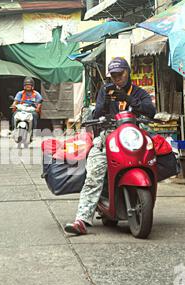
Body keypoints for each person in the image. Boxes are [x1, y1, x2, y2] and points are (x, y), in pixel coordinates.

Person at [64, 57, 157, 236]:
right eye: (113, 76)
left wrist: (128, 99)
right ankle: (82, 220)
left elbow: (150, 111)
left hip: (133, 136)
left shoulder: (138, 92)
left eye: (120, 75)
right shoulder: (105, 90)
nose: (117, 79)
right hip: (109, 137)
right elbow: (97, 113)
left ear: (127, 73)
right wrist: (106, 101)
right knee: (95, 171)